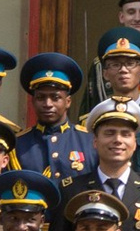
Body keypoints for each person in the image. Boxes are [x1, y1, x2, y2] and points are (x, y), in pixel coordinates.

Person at [76, 100, 140, 231]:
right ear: (95, 141)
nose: (118, 140)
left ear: (135, 144)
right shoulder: (74, 189)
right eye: (109, 133)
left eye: (126, 134)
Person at [16, 52, 97, 193]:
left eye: (55, 98)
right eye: (41, 97)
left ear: (68, 101)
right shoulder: (19, 144)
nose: (48, 104)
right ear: (33, 102)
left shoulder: (89, 141)